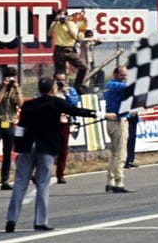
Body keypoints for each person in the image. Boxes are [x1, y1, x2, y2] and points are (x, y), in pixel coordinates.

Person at [5, 76, 96, 232]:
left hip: (27, 147)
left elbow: (20, 127)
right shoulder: (56, 102)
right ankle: (40, 221)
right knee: (42, 184)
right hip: (45, 148)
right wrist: (99, 114)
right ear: (53, 89)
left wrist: (18, 147)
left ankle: (11, 220)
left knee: (20, 184)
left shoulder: (29, 105)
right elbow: (76, 111)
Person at [102, 65, 133, 193]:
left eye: (125, 75)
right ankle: (119, 182)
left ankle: (110, 181)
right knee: (121, 154)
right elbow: (131, 88)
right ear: (115, 74)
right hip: (118, 121)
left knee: (114, 153)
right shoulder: (116, 85)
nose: (124, 77)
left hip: (112, 121)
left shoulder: (109, 85)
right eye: (122, 75)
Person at [48, 8, 87, 93]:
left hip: (69, 49)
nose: (61, 17)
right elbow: (49, 34)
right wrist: (55, 22)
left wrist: (67, 23)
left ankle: (77, 86)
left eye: (63, 15)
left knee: (83, 67)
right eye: (60, 14)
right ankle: (55, 89)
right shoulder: (55, 23)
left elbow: (75, 36)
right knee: (60, 73)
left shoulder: (71, 23)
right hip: (59, 49)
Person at [52, 72, 80, 184]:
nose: (60, 82)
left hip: (64, 121)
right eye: (58, 80)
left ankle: (60, 174)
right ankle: (40, 172)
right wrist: (54, 92)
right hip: (51, 121)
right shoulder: (50, 89)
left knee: (63, 149)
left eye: (62, 80)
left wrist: (66, 93)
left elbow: (74, 105)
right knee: (47, 148)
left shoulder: (70, 90)